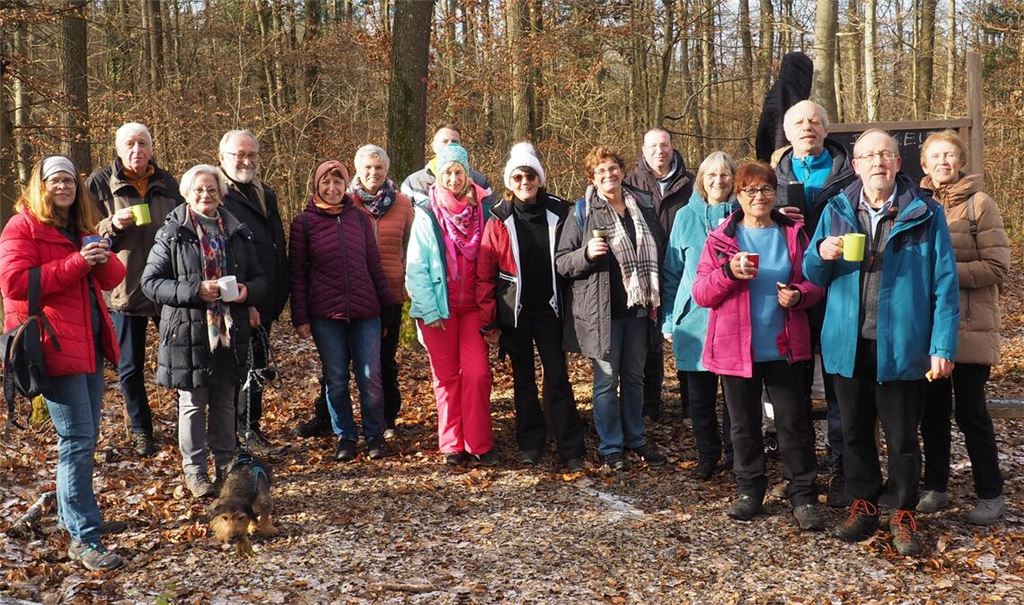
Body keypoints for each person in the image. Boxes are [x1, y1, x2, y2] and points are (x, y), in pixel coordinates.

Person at [804, 129, 959, 556]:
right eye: (869, 156)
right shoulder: (835, 210)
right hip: (847, 343)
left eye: (885, 155)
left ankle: (903, 511)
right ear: (855, 165)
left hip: (902, 344)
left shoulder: (925, 213)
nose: (877, 163)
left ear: (897, 163)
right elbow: (811, 273)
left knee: (903, 436)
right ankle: (864, 504)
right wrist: (822, 252)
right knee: (853, 431)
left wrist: (942, 345)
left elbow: (945, 285)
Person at [1, 157, 127, 570]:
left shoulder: (79, 228)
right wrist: (76, 263)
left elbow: (112, 278)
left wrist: (100, 253)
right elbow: (14, 283)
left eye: (69, 180)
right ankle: (83, 537)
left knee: (85, 440)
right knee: (75, 441)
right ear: (41, 185)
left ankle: (79, 518)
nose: (63, 187)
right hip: (50, 349)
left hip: (87, 346)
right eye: (55, 180)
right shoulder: (22, 227)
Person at [691, 161, 825, 530]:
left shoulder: (794, 234)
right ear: (738, 195)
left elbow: (815, 283)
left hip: (785, 346)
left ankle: (804, 496)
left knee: (794, 424)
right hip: (736, 349)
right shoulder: (721, 239)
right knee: (744, 424)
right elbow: (701, 292)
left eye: (765, 189)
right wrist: (729, 274)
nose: (758, 197)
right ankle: (750, 490)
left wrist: (799, 295)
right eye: (749, 190)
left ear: (775, 193)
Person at [141, 164, 266, 498]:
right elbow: (151, 283)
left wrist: (246, 292)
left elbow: (259, 277)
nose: (205, 195)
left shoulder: (237, 230)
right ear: (186, 194)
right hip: (188, 332)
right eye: (198, 189)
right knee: (193, 403)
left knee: (226, 401)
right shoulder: (172, 232)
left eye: (211, 189)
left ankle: (225, 467)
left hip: (230, 328)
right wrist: (196, 290)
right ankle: (195, 473)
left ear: (220, 193)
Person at [555, 145, 668, 471]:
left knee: (634, 377)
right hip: (601, 313)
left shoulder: (641, 207)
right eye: (601, 171)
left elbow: (659, 249)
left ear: (622, 171)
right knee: (606, 382)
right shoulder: (582, 212)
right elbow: (562, 262)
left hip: (637, 310)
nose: (609, 175)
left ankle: (636, 439)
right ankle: (610, 447)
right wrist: (587, 253)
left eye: (613, 168)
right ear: (592, 177)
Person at [917, 130, 1007, 525]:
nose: (943, 162)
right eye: (935, 156)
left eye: (949, 156)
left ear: (960, 162)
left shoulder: (979, 205)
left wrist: (944, 273)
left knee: (971, 412)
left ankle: (990, 493)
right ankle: (935, 485)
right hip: (928, 329)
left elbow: (997, 266)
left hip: (970, 328)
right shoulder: (916, 205)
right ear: (924, 165)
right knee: (931, 412)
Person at [478, 143, 586, 471]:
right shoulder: (498, 217)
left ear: (539, 178)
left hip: (551, 309)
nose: (525, 181)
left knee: (557, 377)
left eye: (530, 175)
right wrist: (489, 321)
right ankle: (530, 443)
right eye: (518, 176)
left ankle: (569, 446)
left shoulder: (560, 211)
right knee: (522, 378)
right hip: (515, 312)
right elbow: (485, 273)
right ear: (509, 182)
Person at [774, 100, 857, 507]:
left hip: (839, 290)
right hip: (790, 292)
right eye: (799, 123)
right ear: (787, 134)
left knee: (841, 385)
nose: (807, 128)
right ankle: (801, 470)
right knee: (793, 387)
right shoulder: (771, 178)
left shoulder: (850, 175)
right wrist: (775, 213)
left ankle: (842, 465)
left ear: (826, 130)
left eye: (814, 122)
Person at [289, 160, 395, 462]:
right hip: (326, 315)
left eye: (338, 182)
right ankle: (345, 436)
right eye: (326, 183)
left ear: (345, 185)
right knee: (335, 378)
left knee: (370, 376)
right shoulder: (304, 222)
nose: (332, 188)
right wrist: (301, 317)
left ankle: (374, 434)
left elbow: (374, 265)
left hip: (366, 313)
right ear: (317, 186)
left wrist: (386, 309)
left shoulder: (360, 218)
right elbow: (297, 274)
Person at [88, 122, 184, 457]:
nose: (137, 151)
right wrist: (110, 225)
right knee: (129, 367)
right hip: (123, 289)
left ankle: (188, 424)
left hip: (167, 287)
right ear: (117, 148)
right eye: (130, 144)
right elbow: (85, 235)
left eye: (143, 143)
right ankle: (142, 430)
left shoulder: (169, 182)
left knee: (182, 360)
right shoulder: (100, 183)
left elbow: (185, 225)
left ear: (152, 147)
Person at [406, 144, 497, 466]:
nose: (454, 177)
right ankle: (452, 445)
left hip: (474, 307)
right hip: (439, 310)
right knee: (446, 378)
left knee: (476, 373)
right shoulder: (427, 212)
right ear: (438, 175)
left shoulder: (485, 209)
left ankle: (479, 442)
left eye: (459, 171)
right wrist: (429, 310)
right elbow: (415, 267)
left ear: (467, 172)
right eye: (448, 171)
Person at [661, 151, 737, 480]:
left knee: (735, 398)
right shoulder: (685, 217)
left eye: (724, 175)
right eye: (711, 176)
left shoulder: (743, 214)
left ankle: (737, 455)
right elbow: (672, 272)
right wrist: (667, 318)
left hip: (734, 319)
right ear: (701, 180)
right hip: (694, 319)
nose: (718, 181)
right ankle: (707, 455)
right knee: (700, 397)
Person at [217, 129, 290, 455]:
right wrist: (244, 303)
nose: (246, 161)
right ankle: (236, 434)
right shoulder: (216, 195)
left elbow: (275, 244)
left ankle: (251, 428)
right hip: (238, 301)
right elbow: (224, 254)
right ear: (222, 158)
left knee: (257, 366)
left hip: (266, 295)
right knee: (239, 369)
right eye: (238, 155)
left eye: (252, 155)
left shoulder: (264, 193)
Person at [624, 128, 695, 421]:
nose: (659, 151)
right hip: (647, 271)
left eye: (664, 145)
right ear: (643, 150)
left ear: (672, 147)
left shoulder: (690, 182)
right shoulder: (630, 182)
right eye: (653, 146)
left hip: (683, 267)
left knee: (686, 333)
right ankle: (651, 405)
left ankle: (691, 404)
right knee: (649, 342)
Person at [349, 145, 415, 439]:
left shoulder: (402, 204)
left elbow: (412, 247)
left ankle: (388, 417)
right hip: (354, 294)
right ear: (358, 170)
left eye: (378, 168)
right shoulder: (347, 203)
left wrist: (407, 284)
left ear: (387, 171)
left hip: (390, 292)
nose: (373, 173)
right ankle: (343, 418)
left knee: (385, 360)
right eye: (367, 168)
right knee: (354, 361)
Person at [400, 123, 492, 205]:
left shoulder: (480, 182)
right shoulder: (414, 182)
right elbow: (403, 219)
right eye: (445, 141)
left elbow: (489, 218)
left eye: (455, 142)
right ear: (433, 146)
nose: (450, 145)